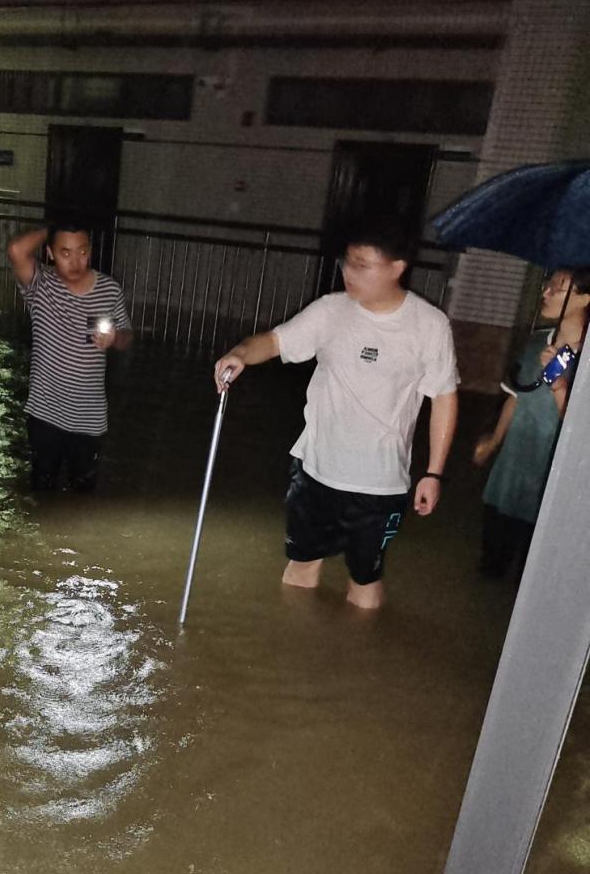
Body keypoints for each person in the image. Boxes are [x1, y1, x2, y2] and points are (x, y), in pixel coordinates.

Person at [213, 219, 459, 610]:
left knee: (364, 584)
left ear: (397, 267)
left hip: (380, 484)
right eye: (348, 263)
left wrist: (434, 473)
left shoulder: (429, 325)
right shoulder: (330, 310)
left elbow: (444, 397)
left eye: (362, 265)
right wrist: (241, 354)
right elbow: (275, 341)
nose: (349, 273)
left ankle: (359, 646)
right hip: (315, 470)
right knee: (299, 571)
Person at [473, 269, 590, 580]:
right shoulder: (536, 342)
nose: (545, 293)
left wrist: (559, 385)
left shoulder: (586, 358)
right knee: (492, 558)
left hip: (553, 467)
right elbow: (516, 397)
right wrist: (494, 442)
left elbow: (580, 428)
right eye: (547, 286)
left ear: (584, 299)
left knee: (533, 563)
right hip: (514, 459)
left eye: (557, 288)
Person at [7, 219, 132, 492]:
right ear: (50, 252)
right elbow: (16, 249)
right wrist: (51, 226)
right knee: (42, 487)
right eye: (65, 253)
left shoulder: (109, 290)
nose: (76, 262)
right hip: (45, 412)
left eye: (82, 252)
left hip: (89, 417)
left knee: (82, 492)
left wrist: (114, 338)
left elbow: (127, 337)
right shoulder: (40, 286)